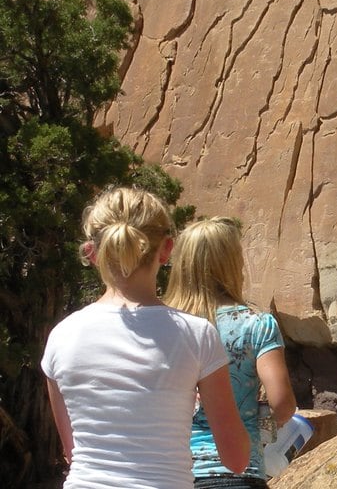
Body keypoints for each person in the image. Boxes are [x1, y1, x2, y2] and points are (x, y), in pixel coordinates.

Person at [41, 187, 249, 489]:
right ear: (166, 250)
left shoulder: (62, 336)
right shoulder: (196, 335)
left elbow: (74, 451)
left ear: (93, 252)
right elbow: (236, 458)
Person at [163, 217, 297, 489]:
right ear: (232, 263)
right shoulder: (257, 324)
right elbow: (282, 404)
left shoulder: (162, 325)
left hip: (169, 470)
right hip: (239, 470)